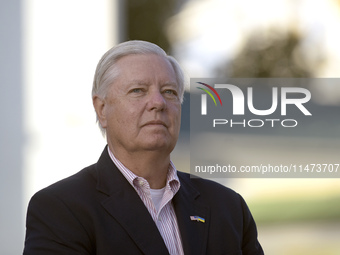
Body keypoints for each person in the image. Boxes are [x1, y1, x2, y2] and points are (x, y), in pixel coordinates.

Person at [23, 40, 264, 255]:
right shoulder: (61, 209)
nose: (158, 103)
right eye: (138, 90)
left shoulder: (228, 207)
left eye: (169, 92)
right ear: (102, 109)